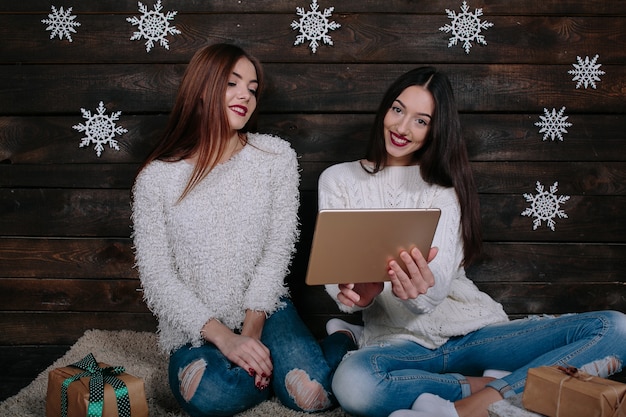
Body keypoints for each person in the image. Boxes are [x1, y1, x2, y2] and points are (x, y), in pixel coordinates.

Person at [318, 66, 626, 417]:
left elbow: (434, 295)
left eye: (421, 120)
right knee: (355, 386)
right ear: (386, 109)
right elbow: (337, 275)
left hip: (472, 334)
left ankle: (474, 406)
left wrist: (417, 292)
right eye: (398, 110)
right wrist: (360, 296)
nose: (402, 128)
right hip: (398, 342)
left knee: (616, 328)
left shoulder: (445, 192)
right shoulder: (339, 180)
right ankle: (492, 384)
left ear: (436, 130)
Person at [131, 43, 354, 417]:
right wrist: (224, 339)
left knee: (312, 395)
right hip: (196, 324)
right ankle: (270, 376)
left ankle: (344, 340)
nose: (245, 96)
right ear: (202, 89)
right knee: (210, 394)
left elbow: (277, 249)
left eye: (252, 88)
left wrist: (250, 332)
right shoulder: (157, 178)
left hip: (266, 309)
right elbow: (157, 277)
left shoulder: (274, 157)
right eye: (232, 84)